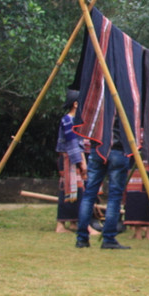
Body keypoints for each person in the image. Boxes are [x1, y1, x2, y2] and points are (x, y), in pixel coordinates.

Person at [75, 117, 132, 250]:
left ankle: (81, 238)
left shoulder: (99, 106)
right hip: (118, 149)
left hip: (97, 148)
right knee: (114, 197)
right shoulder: (125, 106)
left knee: (89, 194)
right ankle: (109, 238)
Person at [55, 89, 88, 233]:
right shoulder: (68, 120)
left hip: (73, 159)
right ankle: (60, 225)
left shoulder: (75, 121)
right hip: (69, 160)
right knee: (68, 190)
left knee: (76, 191)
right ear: (75, 104)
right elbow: (73, 143)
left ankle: (73, 222)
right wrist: (82, 163)